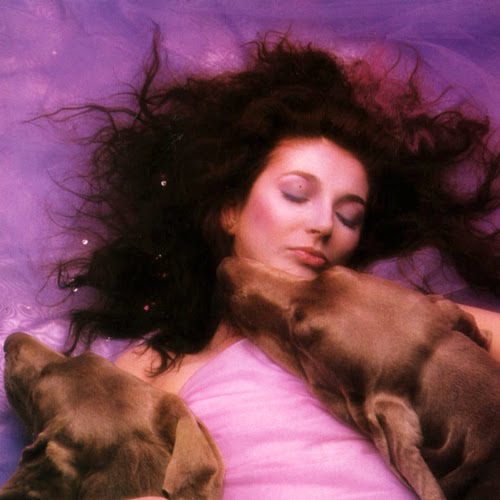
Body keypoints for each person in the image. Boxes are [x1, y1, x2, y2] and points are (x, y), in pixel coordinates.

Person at [54, 35, 500, 498]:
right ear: (231, 210)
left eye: (349, 216)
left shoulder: (394, 321)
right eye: (296, 194)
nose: (324, 224)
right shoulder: (156, 364)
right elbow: (92, 471)